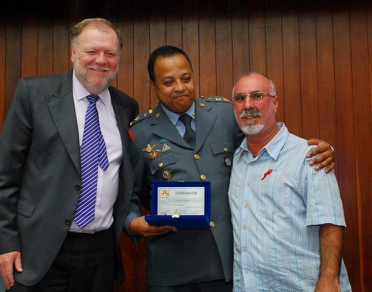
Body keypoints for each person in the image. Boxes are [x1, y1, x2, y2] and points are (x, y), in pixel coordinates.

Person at [125, 45, 335, 291]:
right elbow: (128, 194)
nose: (180, 87)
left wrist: (315, 150)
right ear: (153, 85)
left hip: (226, 265)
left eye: (186, 78)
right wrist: (132, 223)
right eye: (169, 82)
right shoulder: (139, 132)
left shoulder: (225, 113)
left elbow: (265, 140)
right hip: (171, 267)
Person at [0, 18, 139, 291]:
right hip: (39, 249)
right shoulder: (34, 94)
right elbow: (4, 176)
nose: (101, 60)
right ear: (72, 53)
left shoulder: (126, 106)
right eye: (91, 51)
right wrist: (5, 243)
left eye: (110, 53)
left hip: (101, 251)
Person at [228, 71, 351, 291]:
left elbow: (330, 222)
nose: (248, 105)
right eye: (240, 98)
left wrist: (329, 279)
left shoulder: (310, 156)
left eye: (257, 96)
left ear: (275, 103)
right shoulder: (236, 160)